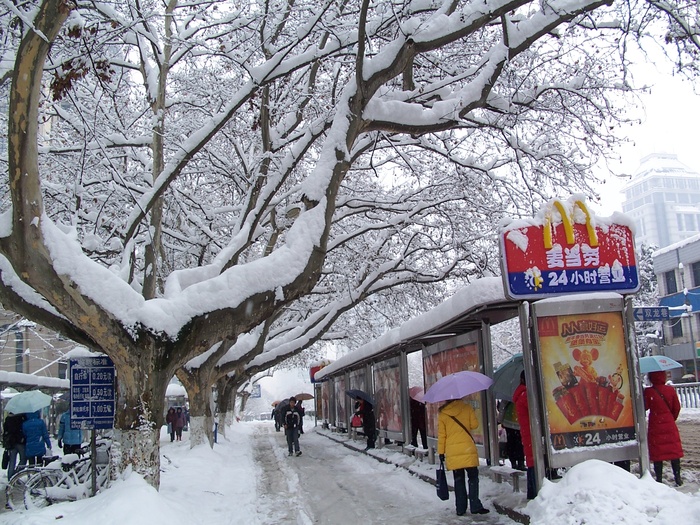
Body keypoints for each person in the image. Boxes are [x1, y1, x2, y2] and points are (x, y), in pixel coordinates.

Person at [437, 399, 489, 516]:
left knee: (459, 479)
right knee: (473, 478)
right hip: (467, 449)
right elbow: (474, 425)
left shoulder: (443, 413)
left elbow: (442, 435)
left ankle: (460, 507)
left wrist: (441, 452)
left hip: (453, 451)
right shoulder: (467, 408)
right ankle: (475, 504)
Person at [644, 370, 683, 486]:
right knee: (674, 451)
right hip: (669, 422)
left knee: (658, 453)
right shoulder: (670, 390)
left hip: (655, 423)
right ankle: (677, 478)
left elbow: (645, 407)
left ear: (651, 377)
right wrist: (671, 418)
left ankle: (659, 479)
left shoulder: (649, 392)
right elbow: (676, 407)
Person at [513, 371, 537, 499]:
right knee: (533, 462)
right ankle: (534, 492)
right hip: (531, 433)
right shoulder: (525, 395)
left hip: (527, 432)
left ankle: (532, 492)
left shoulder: (521, 394)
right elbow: (535, 408)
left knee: (532, 461)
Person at [498, 399, 525, 470]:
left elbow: (502, 407)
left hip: (508, 421)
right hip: (519, 421)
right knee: (519, 443)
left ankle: (513, 462)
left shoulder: (508, 393)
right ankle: (520, 463)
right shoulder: (523, 393)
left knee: (511, 442)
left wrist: (500, 420)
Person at [2, 412, 26, 479]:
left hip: (11, 443)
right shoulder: (22, 417)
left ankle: (10, 477)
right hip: (20, 442)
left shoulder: (8, 419)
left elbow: (5, 431)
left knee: (12, 461)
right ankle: (16, 474)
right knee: (23, 460)